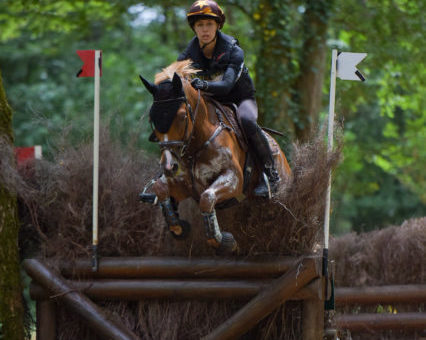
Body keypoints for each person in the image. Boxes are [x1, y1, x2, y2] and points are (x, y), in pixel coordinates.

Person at [178, 0, 280, 198]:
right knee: (181, 119)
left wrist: (204, 85)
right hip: (208, 102)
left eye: (209, 24)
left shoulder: (234, 51)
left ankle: (271, 176)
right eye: (200, 25)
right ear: (194, 28)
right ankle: (170, 174)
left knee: (248, 122)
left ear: (218, 26)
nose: (205, 30)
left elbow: (226, 86)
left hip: (240, 100)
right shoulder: (186, 56)